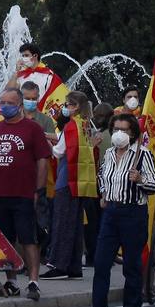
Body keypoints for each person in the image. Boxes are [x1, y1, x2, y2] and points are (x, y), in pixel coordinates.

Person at [77, 112, 155, 307]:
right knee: (102, 262)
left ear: (132, 133)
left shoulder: (142, 155)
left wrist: (140, 179)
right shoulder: (110, 153)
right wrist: (104, 194)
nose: (119, 134)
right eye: (116, 130)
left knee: (131, 264)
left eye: (124, 130)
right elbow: (103, 176)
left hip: (133, 213)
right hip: (111, 212)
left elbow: (154, 186)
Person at [0, 86, 48, 302]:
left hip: (24, 193)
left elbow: (43, 161)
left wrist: (39, 190)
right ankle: (12, 282)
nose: (4, 106)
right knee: (5, 240)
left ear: (19, 105)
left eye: (9, 103)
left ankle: (33, 281)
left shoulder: (32, 129)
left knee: (28, 237)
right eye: (2, 102)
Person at [42, 91, 97, 280]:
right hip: (82, 182)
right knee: (75, 224)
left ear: (75, 107)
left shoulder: (71, 125)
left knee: (62, 223)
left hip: (67, 180)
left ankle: (58, 265)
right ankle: (74, 266)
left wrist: (45, 143)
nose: (65, 108)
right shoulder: (86, 125)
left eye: (68, 104)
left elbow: (58, 152)